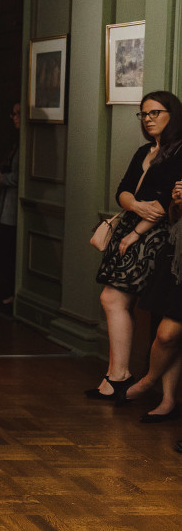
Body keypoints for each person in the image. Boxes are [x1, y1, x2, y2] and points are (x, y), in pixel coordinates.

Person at [86, 91, 182, 401]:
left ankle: (120, 376)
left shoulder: (179, 151)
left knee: (113, 298)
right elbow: (123, 191)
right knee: (115, 300)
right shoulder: (145, 149)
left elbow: (165, 204)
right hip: (134, 228)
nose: (148, 119)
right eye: (143, 114)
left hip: (155, 236)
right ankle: (119, 375)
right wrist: (136, 206)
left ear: (173, 114)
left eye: (156, 113)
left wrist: (135, 232)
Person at [123, 179, 182, 422]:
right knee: (172, 336)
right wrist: (178, 203)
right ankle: (168, 400)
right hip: (177, 261)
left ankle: (149, 379)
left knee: (168, 334)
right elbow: (174, 219)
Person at [0, 102, 21, 305]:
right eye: (13, 114)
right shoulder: (15, 142)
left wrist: (2, 178)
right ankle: (7, 292)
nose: (14, 118)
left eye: (17, 114)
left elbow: (22, 177)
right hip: (6, 207)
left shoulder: (25, 142)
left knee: (9, 252)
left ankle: (12, 294)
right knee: (4, 251)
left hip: (13, 210)